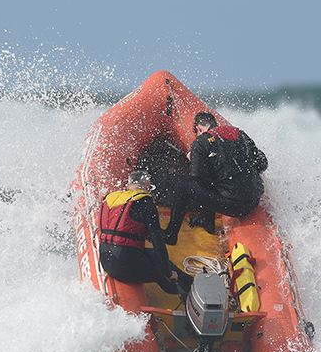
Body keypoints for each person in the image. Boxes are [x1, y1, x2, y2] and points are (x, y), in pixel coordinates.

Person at [168, 111, 267, 239]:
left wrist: (195, 160)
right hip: (255, 200)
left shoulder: (201, 142)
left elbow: (198, 177)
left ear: (199, 129)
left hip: (235, 206)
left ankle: (170, 235)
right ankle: (208, 222)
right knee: (215, 177)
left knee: (183, 185)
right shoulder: (239, 134)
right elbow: (263, 163)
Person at [98, 170, 193, 294]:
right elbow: (158, 242)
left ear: (128, 185)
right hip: (124, 266)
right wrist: (168, 273)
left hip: (106, 261)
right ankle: (188, 294)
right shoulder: (146, 203)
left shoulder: (109, 198)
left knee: (153, 254)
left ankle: (191, 281)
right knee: (164, 274)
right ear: (148, 186)